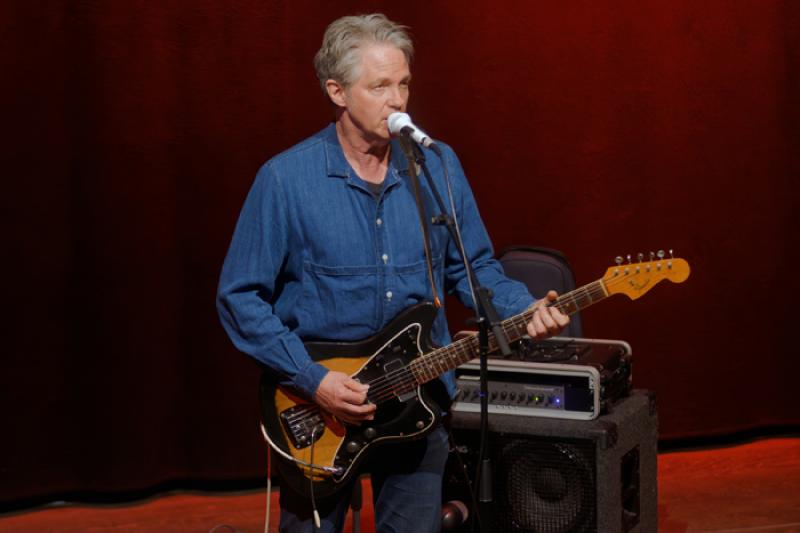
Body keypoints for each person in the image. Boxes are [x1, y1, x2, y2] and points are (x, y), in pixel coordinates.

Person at [216, 13, 569, 533]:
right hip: (320, 407)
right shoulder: (285, 179)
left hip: (418, 401)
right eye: (379, 86)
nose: (397, 100)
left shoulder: (436, 166)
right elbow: (240, 297)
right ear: (337, 91)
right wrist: (313, 380)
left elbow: (474, 268)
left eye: (403, 83)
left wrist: (525, 309)